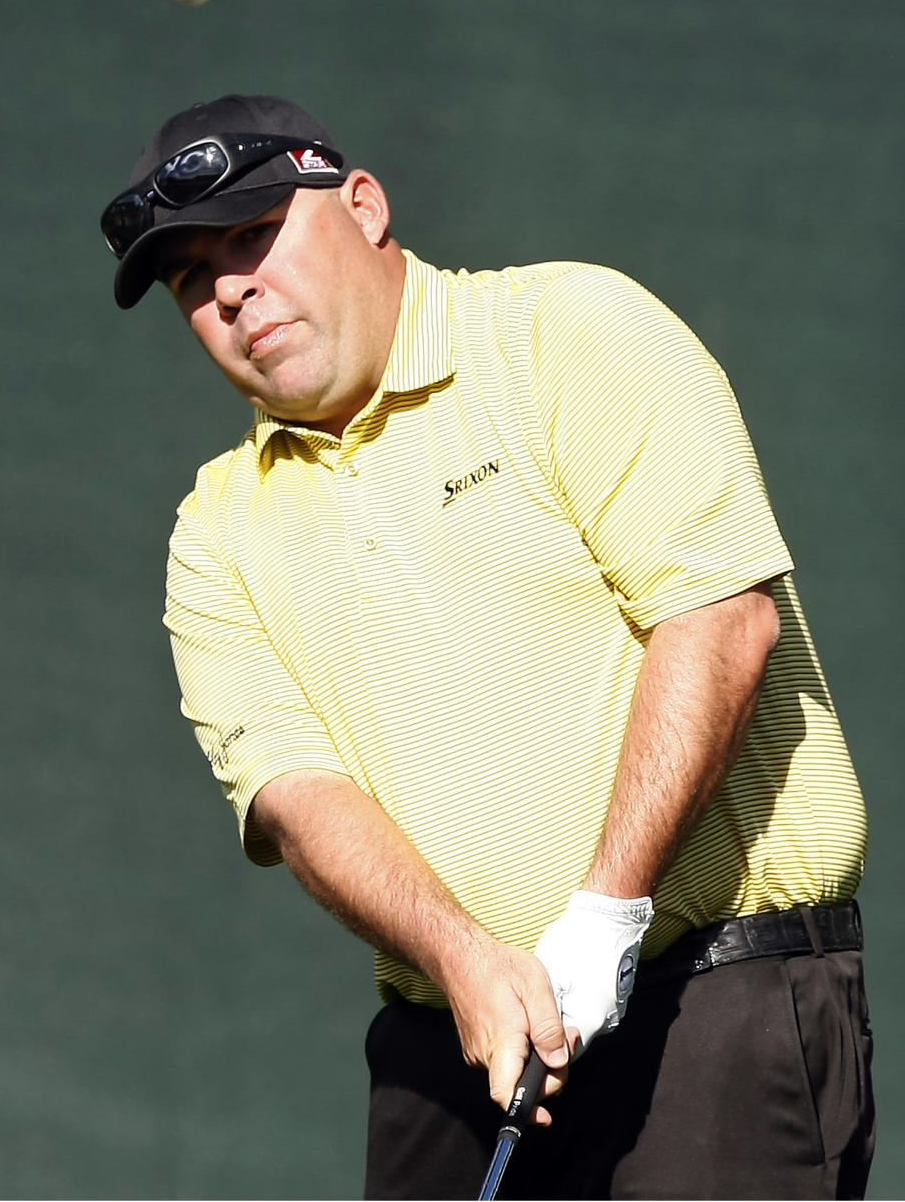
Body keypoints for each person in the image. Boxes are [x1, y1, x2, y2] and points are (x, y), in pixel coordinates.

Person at [101, 93, 874, 1200]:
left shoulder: (564, 335)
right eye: (192, 278)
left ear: (364, 206)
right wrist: (467, 960)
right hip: (453, 1042)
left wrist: (608, 911)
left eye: (253, 236)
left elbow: (719, 617)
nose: (230, 287)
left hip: (716, 1003)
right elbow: (291, 789)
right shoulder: (218, 528)